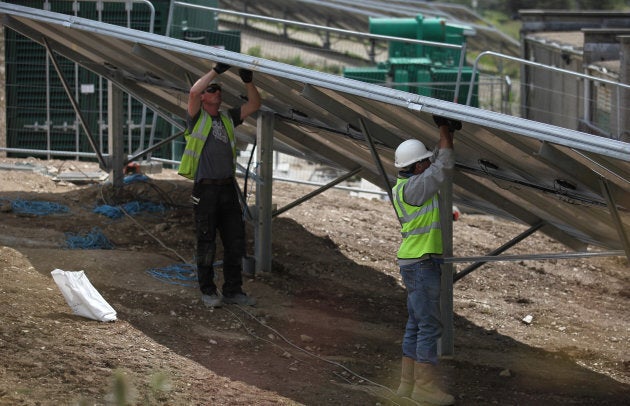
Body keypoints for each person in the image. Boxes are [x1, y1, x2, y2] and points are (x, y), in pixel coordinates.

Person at [178, 62, 261, 308]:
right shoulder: (197, 118)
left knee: (235, 240)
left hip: (227, 188)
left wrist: (248, 81)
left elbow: (254, 105)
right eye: (212, 90)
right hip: (206, 190)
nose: (217, 93)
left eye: (219, 90)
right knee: (206, 240)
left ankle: (233, 290)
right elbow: (193, 92)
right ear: (204, 97)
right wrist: (215, 71)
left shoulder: (227, 118)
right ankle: (208, 290)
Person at [391, 115, 461, 405]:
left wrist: (447, 134)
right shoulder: (416, 188)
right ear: (417, 167)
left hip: (412, 262)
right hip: (421, 264)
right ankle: (424, 388)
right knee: (429, 326)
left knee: (416, 324)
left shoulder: (405, 185)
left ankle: (407, 386)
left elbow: (436, 160)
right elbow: (443, 165)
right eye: (424, 162)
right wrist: (443, 129)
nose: (428, 164)